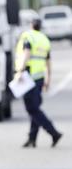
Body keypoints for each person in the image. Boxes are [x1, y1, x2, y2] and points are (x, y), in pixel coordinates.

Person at [15, 18, 63, 147]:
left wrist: (20, 71)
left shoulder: (28, 36)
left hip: (28, 77)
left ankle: (54, 133)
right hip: (40, 78)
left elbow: (26, 54)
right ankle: (32, 138)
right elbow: (48, 62)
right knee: (35, 107)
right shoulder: (44, 39)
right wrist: (48, 80)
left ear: (31, 25)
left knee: (32, 108)